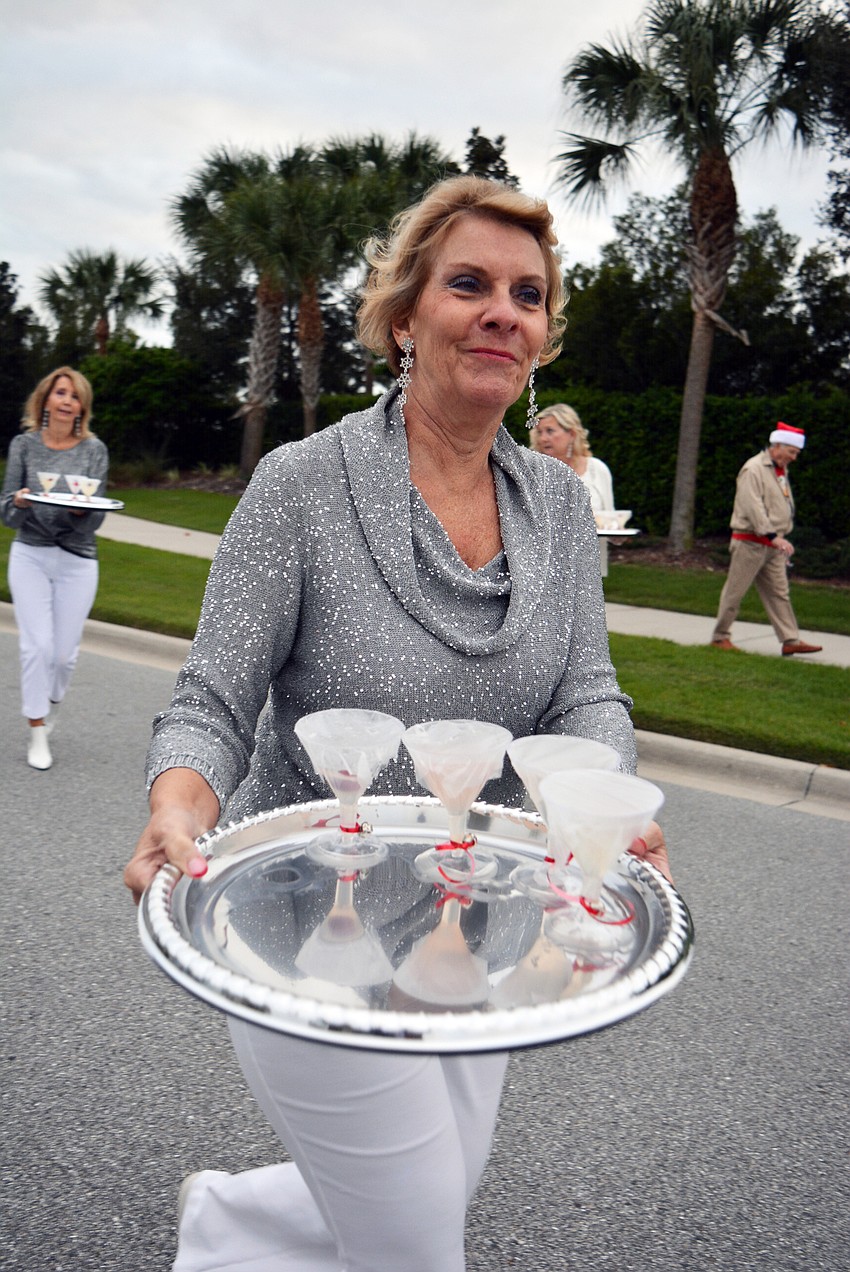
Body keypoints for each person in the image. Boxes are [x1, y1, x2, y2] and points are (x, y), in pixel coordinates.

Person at [124, 175, 670, 1272]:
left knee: (441, 1184)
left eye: (527, 294)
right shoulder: (300, 485)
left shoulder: (559, 508)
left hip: (482, 918)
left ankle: (229, 1227)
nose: (500, 312)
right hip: (308, 927)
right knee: (417, 1243)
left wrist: (605, 792)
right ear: (405, 314)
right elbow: (214, 697)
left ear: (543, 334)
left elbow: (585, 693)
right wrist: (177, 799)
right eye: (467, 283)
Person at [1, 366, 109, 770]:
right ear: (45, 399)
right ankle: (36, 729)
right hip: (30, 553)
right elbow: (6, 511)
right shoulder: (24, 446)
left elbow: (95, 518)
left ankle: (52, 703)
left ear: (82, 407)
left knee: (63, 656)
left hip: (78, 559)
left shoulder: (94, 451)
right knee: (37, 647)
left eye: (75, 396)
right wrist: (21, 503)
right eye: (60, 393)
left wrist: (82, 512)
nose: (67, 401)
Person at [710, 423, 822, 655]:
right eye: (792, 452)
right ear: (778, 446)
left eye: (796, 453)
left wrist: (777, 537)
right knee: (735, 591)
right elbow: (753, 506)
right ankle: (720, 637)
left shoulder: (779, 470)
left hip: (773, 545)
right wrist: (772, 535)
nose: (794, 458)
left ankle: (790, 639)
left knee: (779, 593)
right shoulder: (754, 469)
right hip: (750, 543)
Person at [531, 402, 616, 575]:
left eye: (550, 431)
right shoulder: (532, 471)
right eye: (540, 432)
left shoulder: (597, 469)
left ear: (571, 434)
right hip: (542, 567)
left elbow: (610, 518)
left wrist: (618, 535)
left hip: (586, 568)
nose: (543, 439)